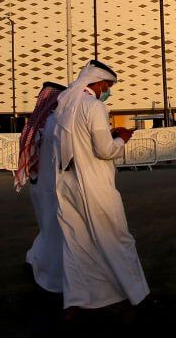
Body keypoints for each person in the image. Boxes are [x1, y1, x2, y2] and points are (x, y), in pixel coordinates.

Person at [51, 59, 150, 310]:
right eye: (108, 85)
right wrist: (122, 139)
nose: (108, 91)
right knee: (117, 237)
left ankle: (76, 301)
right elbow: (105, 150)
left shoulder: (64, 105)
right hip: (94, 184)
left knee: (76, 243)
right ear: (97, 82)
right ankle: (139, 295)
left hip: (67, 184)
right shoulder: (92, 106)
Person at [15, 80, 68, 293]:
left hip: (39, 185)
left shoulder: (35, 124)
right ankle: (50, 274)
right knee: (54, 228)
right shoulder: (54, 123)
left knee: (47, 226)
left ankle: (33, 259)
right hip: (50, 184)